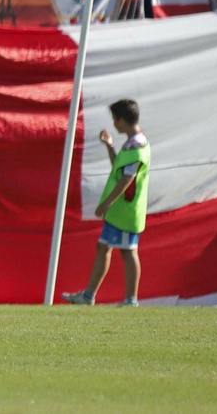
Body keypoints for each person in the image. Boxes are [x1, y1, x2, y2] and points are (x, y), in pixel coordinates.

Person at [62, 99, 150, 306]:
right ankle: (88, 296)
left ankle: (131, 300)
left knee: (128, 251)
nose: (114, 124)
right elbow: (118, 168)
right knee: (102, 247)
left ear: (122, 120)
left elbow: (126, 180)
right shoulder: (133, 143)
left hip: (126, 211)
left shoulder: (137, 146)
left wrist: (106, 204)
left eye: (115, 119)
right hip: (119, 212)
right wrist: (110, 146)